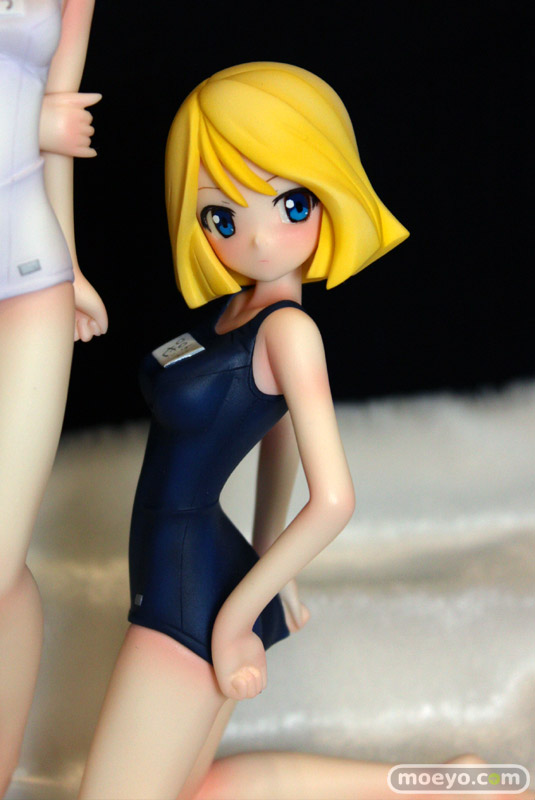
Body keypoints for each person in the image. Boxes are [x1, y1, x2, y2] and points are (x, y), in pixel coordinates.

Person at [77, 63, 518, 800]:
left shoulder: (290, 332)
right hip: (191, 567)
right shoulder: (236, 316)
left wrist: (240, 613)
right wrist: (264, 557)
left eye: (289, 203)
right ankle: (451, 784)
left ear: (328, 193)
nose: (256, 238)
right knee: (193, 790)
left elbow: (335, 499)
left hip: (192, 591)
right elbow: (274, 430)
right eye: (222, 217)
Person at [0, 1, 106, 794]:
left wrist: (74, 262)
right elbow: (49, 121)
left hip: (32, 270)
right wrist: (31, 122)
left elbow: (64, 127)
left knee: (2, 558)